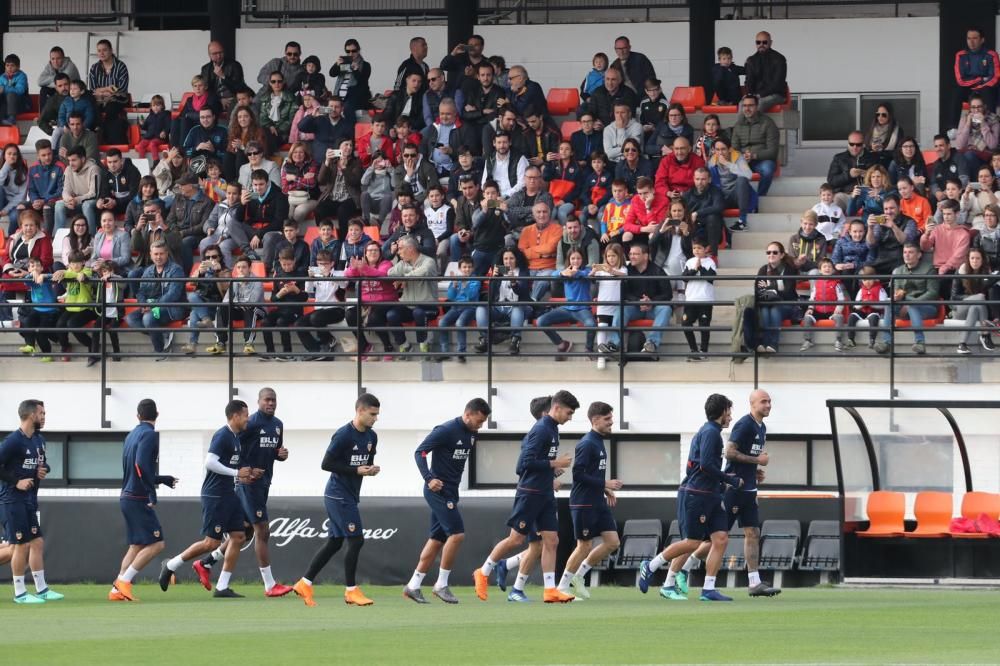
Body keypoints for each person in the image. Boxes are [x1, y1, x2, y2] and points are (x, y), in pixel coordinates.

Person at [474, 390, 578, 604]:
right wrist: (554, 464)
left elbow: (539, 463)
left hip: (545, 494)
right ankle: (483, 572)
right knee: (516, 539)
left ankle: (550, 590)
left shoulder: (553, 430)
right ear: (556, 408)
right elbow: (523, 465)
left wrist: (551, 474)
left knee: (552, 540)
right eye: (569, 413)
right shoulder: (540, 430)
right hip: (530, 493)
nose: (570, 417)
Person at [638, 393, 743, 601]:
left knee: (720, 538)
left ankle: (708, 589)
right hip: (697, 495)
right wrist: (729, 480)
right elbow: (705, 464)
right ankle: (650, 566)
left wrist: (723, 480)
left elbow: (706, 466)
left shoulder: (712, 432)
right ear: (722, 412)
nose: (730, 417)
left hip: (711, 495)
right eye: (729, 412)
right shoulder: (710, 432)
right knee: (692, 542)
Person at [196, 388, 293, 597]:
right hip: (248, 485)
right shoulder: (251, 423)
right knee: (262, 532)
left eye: (274, 400)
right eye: (267, 400)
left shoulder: (278, 425)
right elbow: (235, 449)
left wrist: (280, 454)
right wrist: (245, 471)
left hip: (264, 483)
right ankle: (270, 585)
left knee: (245, 532)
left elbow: (272, 451)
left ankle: (207, 563)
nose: (271, 403)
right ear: (258, 401)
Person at [292, 393, 382, 607]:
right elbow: (326, 464)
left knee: (335, 542)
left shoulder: (372, 437)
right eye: (372, 414)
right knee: (356, 540)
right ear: (360, 411)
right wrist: (355, 470)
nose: (375, 418)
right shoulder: (343, 435)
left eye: (377, 415)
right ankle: (351, 590)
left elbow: (362, 466)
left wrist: (369, 471)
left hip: (349, 494)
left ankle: (304, 583)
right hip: (337, 495)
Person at [158, 400, 254, 598]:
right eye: (245, 415)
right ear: (235, 416)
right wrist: (236, 473)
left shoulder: (236, 438)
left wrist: (248, 473)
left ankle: (222, 587)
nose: (248, 419)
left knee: (239, 536)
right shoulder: (222, 435)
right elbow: (210, 462)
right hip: (215, 495)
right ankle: (170, 565)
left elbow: (233, 467)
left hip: (229, 494)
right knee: (210, 543)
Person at [404, 398, 491, 604]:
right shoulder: (445, 430)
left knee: (436, 539)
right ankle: (441, 584)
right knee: (457, 534)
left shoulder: (471, 433)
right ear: (468, 414)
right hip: (438, 490)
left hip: (451, 491)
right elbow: (420, 452)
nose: (480, 426)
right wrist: (429, 478)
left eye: (483, 423)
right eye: (478, 421)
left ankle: (413, 586)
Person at [552, 401, 623, 599]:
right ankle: (561, 587)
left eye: (611, 418)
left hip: (597, 500)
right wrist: (605, 482)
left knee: (612, 542)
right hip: (583, 503)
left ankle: (579, 577)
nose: (611, 422)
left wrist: (605, 488)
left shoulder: (599, 441)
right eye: (607, 419)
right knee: (584, 545)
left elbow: (593, 473)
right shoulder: (587, 443)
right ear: (595, 420)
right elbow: (578, 474)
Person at [109, 399, 178, 602]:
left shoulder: (131, 435)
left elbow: (136, 468)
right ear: (157, 414)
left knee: (136, 546)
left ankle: (116, 590)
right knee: (157, 544)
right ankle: (124, 583)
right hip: (138, 497)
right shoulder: (149, 434)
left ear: (138, 415)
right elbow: (140, 466)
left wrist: (162, 480)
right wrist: (151, 491)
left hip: (126, 496)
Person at [0, 399, 64, 603]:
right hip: (12, 499)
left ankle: (42, 589)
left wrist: (44, 471)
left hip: (29, 499)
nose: (44, 417)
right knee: (20, 545)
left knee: (37, 541)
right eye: (41, 413)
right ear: (30, 415)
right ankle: (20, 593)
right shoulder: (13, 441)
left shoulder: (38, 440)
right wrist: (16, 482)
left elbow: (42, 465)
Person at [598, 242, 672, 356]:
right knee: (620, 310)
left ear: (646, 256)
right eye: (630, 254)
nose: (631, 256)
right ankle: (614, 344)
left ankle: (651, 344)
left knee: (666, 309)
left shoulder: (658, 271)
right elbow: (624, 293)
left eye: (636, 254)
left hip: (653, 308)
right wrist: (638, 301)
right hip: (634, 307)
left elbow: (668, 294)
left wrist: (651, 301)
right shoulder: (626, 270)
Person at [874, 243, 940, 355]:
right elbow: (896, 292)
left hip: (926, 307)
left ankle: (920, 342)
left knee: (912, 305)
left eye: (910, 252)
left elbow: (932, 293)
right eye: (905, 252)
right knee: (888, 303)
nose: (907, 255)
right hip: (904, 306)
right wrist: (896, 297)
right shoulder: (898, 271)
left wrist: (910, 302)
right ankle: (887, 342)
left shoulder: (929, 269)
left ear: (919, 255)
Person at [127, 241, 185, 359]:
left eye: (161, 254)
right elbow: (141, 291)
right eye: (156, 254)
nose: (158, 257)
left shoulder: (176, 270)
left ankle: (160, 350)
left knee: (148, 318)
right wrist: (143, 304)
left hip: (172, 307)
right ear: (151, 254)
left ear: (167, 254)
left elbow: (173, 295)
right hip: (152, 305)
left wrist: (152, 306)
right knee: (131, 318)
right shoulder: (148, 270)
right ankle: (162, 333)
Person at [536, 248, 598, 356]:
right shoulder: (565, 272)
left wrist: (575, 272)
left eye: (578, 258)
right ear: (568, 260)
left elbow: (586, 274)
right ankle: (562, 344)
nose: (576, 261)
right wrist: (562, 273)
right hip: (567, 308)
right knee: (541, 321)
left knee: (591, 324)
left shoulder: (587, 270)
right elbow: (553, 274)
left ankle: (589, 350)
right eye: (573, 258)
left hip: (582, 309)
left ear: (582, 259)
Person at [386, 235, 439, 355]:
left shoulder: (428, 261)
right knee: (391, 314)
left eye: (400, 249)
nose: (398, 252)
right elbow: (389, 273)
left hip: (428, 304)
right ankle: (404, 345)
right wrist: (402, 276)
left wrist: (404, 278)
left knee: (418, 312)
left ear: (410, 249)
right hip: (408, 305)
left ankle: (424, 343)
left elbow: (423, 272)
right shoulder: (403, 263)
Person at [474, 247, 532, 355]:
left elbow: (523, 293)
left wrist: (514, 282)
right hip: (499, 306)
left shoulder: (523, 271)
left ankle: (515, 341)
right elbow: (490, 295)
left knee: (517, 307)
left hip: (516, 306)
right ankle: (485, 340)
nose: (508, 261)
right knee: (481, 307)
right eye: (505, 259)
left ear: (517, 259)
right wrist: (494, 279)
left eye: (511, 258)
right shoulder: (500, 270)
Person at [208, 256, 264, 356]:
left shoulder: (257, 281)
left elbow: (253, 301)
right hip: (239, 309)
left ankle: (248, 344)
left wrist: (243, 285)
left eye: (244, 267)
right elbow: (226, 301)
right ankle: (220, 343)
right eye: (238, 267)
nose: (241, 270)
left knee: (251, 309)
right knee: (221, 308)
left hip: (257, 311)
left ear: (250, 268)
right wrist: (235, 303)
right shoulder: (234, 281)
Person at [261, 247, 307, 359]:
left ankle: (287, 352)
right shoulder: (278, 276)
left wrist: (296, 290)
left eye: (289, 264)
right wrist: (280, 294)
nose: (287, 267)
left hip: (295, 310)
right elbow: (273, 299)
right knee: (265, 322)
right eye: (284, 264)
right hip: (281, 309)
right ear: (280, 262)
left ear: (294, 261)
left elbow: (305, 297)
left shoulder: (301, 274)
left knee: (281, 322)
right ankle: (270, 352)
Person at [921, 199, 971, 300]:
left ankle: (947, 310)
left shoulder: (964, 233)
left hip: (953, 269)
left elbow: (958, 256)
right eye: (944, 214)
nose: (946, 217)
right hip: (936, 268)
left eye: (949, 214)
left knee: (944, 281)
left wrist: (945, 267)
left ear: (957, 214)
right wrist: (926, 234)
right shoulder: (937, 229)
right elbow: (925, 247)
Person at [755, 241, 800, 354]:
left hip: (788, 304)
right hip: (768, 303)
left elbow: (788, 292)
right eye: (768, 252)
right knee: (764, 309)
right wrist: (777, 288)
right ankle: (765, 344)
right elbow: (758, 291)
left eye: (775, 252)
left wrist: (769, 287)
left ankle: (773, 344)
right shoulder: (763, 270)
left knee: (775, 309)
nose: (771, 255)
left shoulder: (789, 269)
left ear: (782, 255)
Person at [951, 26, 1000, 128]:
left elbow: (994, 77)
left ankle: (991, 128)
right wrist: (980, 79)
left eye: (975, 38)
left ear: (982, 40)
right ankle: (954, 128)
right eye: (969, 38)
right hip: (969, 88)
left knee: (989, 92)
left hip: (985, 88)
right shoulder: (960, 55)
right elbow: (960, 80)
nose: (971, 42)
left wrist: (980, 84)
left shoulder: (991, 55)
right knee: (957, 92)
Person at [731, 95, 779, 196]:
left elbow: (773, 152)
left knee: (767, 169)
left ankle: (759, 199)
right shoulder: (738, 124)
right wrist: (742, 157)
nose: (747, 109)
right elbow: (734, 148)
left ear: (757, 107)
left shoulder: (768, 123)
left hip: (761, 161)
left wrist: (753, 155)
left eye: (750, 106)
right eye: (744, 106)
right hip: (743, 160)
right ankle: (743, 199)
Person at [953, 247, 998, 354]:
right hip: (960, 308)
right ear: (968, 259)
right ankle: (985, 334)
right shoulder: (961, 271)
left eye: (978, 258)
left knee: (975, 306)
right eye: (972, 258)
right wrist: (972, 298)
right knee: (980, 297)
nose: (975, 261)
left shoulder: (986, 273)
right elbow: (954, 297)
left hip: (977, 309)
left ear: (982, 260)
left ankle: (962, 344)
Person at [681, 238, 717, 361]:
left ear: (706, 249)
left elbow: (711, 278)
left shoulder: (710, 262)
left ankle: (704, 350)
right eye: (694, 248)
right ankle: (693, 349)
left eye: (699, 248)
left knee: (704, 325)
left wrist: (701, 268)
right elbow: (684, 278)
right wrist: (694, 270)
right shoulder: (689, 261)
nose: (696, 250)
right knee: (686, 323)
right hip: (691, 298)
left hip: (705, 299)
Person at [15, 257, 58, 360]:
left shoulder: (46, 278)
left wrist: (44, 275)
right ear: (29, 269)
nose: (35, 268)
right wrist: (31, 275)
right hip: (37, 309)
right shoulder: (30, 278)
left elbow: (54, 277)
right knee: (27, 323)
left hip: (49, 310)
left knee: (41, 333)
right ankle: (30, 345)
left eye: (38, 265)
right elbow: (26, 281)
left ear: (42, 268)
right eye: (32, 266)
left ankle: (47, 354)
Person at [800, 258, 847, 352]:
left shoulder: (836, 284)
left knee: (839, 317)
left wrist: (838, 309)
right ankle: (808, 340)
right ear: (820, 270)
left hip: (831, 311)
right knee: (807, 317)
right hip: (818, 310)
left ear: (833, 270)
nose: (827, 268)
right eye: (824, 266)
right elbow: (812, 298)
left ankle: (838, 340)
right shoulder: (817, 284)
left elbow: (841, 299)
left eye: (829, 267)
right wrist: (810, 308)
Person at [88, 39, 129, 144]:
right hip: (99, 99)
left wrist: (103, 91)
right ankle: (95, 135)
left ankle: (104, 137)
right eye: (99, 51)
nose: (101, 53)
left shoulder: (121, 66)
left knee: (110, 109)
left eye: (104, 50)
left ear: (111, 51)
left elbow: (121, 89)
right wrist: (107, 89)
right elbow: (92, 89)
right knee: (90, 107)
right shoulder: (94, 68)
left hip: (117, 99)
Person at [866, 193, 918, 276]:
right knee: (864, 271)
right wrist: (870, 228)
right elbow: (871, 244)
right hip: (882, 259)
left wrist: (893, 226)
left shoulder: (909, 221)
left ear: (899, 207)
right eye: (886, 209)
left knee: (896, 273)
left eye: (892, 208)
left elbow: (906, 242)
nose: (888, 212)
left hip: (901, 259)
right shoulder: (880, 221)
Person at [827, 131, 878, 213]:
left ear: (863, 144)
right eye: (852, 144)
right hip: (844, 194)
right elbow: (831, 181)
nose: (855, 147)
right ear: (848, 143)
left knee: (875, 200)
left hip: (865, 194)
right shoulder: (839, 158)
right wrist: (848, 175)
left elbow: (881, 178)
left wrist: (867, 174)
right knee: (836, 200)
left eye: (858, 145)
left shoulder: (873, 157)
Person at [54, 145, 100, 234]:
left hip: (92, 202)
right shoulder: (68, 169)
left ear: (83, 159)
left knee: (86, 205)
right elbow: (65, 191)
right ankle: (57, 238)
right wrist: (69, 200)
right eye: (69, 160)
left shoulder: (94, 169)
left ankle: (91, 237)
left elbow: (94, 194)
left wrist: (76, 200)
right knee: (59, 204)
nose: (71, 163)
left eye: (74, 160)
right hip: (75, 202)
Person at [683, 167, 725, 256]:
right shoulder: (687, 194)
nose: (700, 182)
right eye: (697, 179)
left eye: (703, 179)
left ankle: (713, 254)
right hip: (694, 229)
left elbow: (718, 207)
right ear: (694, 179)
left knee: (712, 217)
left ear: (709, 180)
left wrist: (697, 213)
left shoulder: (716, 191)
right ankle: (690, 254)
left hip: (712, 229)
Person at [846, 265, 889, 349]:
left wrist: (871, 303)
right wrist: (862, 304)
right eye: (865, 280)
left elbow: (884, 304)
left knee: (873, 318)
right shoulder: (861, 290)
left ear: (874, 279)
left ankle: (872, 340)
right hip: (863, 311)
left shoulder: (880, 289)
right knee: (851, 316)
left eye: (869, 279)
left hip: (874, 311)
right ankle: (851, 339)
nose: (867, 282)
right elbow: (856, 305)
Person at [744, 32, 787, 111]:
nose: (761, 44)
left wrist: (760, 95)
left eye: (764, 42)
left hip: (777, 95)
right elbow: (749, 81)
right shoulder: (751, 60)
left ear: (770, 42)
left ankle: (751, 123)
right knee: (742, 104)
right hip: (757, 96)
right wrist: (749, 95)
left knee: (759, 103)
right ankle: (741, 124)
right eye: (758, 42)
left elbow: (777, 84)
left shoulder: (779, 59)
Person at [585, 67, 638, 131]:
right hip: (599, 130)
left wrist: (607, 127)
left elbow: (630, 116)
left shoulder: (628, 93)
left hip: (622, 129)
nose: (610, 83)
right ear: (604, 79)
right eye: (607, 79)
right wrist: (595, 122)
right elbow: (591, 112)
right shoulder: (597, 92)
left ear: (619, 80)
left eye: (613, 79)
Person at [96, 148, 140, 221]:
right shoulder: (105, 172)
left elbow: (134, 194)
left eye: (115, 161)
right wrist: (102, 200)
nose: (112, 165)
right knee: (98, 209)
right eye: (109, 162)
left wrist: (116, 202)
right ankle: (101, 231)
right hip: (114, 204)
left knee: (135, 206)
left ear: (121, 160)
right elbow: (104, 192)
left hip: (130, 203)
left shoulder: (132, 171)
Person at [201, 41, 245, 111]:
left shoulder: (234, 65)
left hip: (233, 98)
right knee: (208, 108)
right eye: (215, 54)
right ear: (209, 55)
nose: (218, 56)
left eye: (221, 52)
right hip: (216, 100)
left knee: (234, 107)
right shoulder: (206, 69)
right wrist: (219, 100)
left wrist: (223, 76)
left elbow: (239, 87)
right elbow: (206, 90)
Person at [37, 46, 80, 110]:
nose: (55, 61)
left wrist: (49, 81)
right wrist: (54, 79)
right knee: (44, 90)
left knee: (62, 88)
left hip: (71, 92)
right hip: (58, 89)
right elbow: (40, 81)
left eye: (58, 58)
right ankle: (43, 116)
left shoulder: (70, 66)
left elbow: (63, 83)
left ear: (63, 58)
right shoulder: (49, 66)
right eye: (53, 59)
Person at [930, 134, 970, 202]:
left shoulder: (959, 158)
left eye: (941, 145)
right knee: (932, 198)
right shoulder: (936, 165)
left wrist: (948, 191)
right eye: (936, 146)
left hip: (956, 196)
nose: (938, 149)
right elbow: (933, 183)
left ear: (948, 146)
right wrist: (937, 192)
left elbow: (964, 179)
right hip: (942, 196)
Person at [864, 103, 904, 167]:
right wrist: (872, 147)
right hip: (872, 160)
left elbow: (899, 150)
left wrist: (882, 150)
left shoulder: (897, 130)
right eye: (878, 114)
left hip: (889, 161)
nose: (880, 117)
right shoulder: (872, 128)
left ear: (890, 115)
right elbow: (866, 146)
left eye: (884, 115)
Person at [788, 210, 828, 275]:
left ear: (816, 225)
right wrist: (798, 261)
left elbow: (822, 261)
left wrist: (808, 262)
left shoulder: (821, 240)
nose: (807, 227)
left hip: (814, 270)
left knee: (814, 274)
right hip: (796, 269)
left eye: (811, 224)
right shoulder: (793, 239)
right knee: (787, 272)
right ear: (801, 223)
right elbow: (790, 260)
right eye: (805, 223)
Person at [0, 143, 28, 234]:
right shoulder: (2, 169)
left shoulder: (23, 172)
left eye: (14, 154)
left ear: (18, 156)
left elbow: (21, 197)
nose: (12, 156)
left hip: (14, 204)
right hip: (2, 200)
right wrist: (6, 166)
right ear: (4, 155)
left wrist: (6, 209)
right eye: (9, 154)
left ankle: (11, 241)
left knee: (14, 217)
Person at [134, 94, 170, 161]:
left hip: (159, 138)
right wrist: (142, 124)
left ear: (162, 106)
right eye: (153, 105)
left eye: (158, 105)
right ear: (151, 106)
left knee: (152, 143)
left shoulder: (166, 114)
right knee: (141, 145)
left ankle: (156, 161)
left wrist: (164, 131)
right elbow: (145, 127)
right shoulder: (150, 116)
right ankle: (142, 161)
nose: (155, 107)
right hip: (148, 137)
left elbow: (169, 125)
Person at [0, 54, 29, 126]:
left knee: (11, 94)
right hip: (7, 104)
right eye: (7, 65)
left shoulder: (22, 76)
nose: (9, 68)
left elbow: (20, 91)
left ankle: (12, 118)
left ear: (18, 67)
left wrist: (4, 89)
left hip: (22, 104)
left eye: (12, 65)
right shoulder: (2, 77)